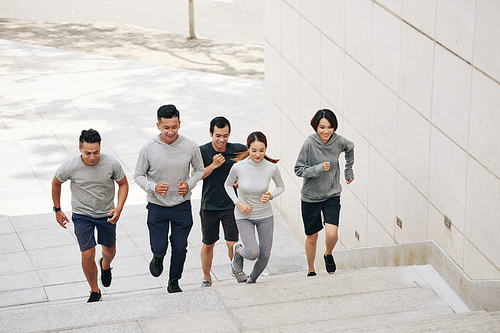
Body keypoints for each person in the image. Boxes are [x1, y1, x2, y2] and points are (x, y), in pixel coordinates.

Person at [51, 129, 129, 303]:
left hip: (106, 213)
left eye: (96, 152)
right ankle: (95, 291)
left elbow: (123, 184)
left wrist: (119, 208)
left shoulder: (111, 163)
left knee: (109, 250)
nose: (92, 157)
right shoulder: (70, 166)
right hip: (82, 214)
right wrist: (57, 209)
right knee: (87, 254)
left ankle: (105, 265)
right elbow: (56, 182)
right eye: (87, 153)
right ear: (79, 148)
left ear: (100, 147)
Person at [134, 104, 204, 293]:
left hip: (182, 205)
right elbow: (138, 175)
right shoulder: (148, 149)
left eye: (174, 126)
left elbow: (200, 169)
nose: (171, 131)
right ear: (158, 125)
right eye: (166, 127)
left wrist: (189, 184)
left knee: (180, 247)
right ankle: (157, 257)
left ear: (179, 124)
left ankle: (174, 281)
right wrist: (153, 187)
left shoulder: (190, 146)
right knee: (160, 247)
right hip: (157, 206)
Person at [294, 109, 354, 276]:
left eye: (330, 127)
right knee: (312, 237)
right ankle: (311, 269)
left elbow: (350, 149)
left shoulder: (339, 141)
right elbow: (298, 169)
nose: (326, 131)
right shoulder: (309, 144)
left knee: (332, 233)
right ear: (316, 127)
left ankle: (328, 253)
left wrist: (349, 171)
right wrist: (318, 169)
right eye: (322, 127)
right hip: (310, 197)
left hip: (331, 194)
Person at [224, 131, 285, 284]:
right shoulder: (239, 167)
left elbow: (281, 186)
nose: (258, 154)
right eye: (254, 150)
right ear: (248, 148)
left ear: (266, 149)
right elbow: (227, 185)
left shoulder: (271, 167)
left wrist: (271, 195)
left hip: (265, 215)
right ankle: (238, 249)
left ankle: (251, 280)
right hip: (244, 215)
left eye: (262, 150)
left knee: (264, 255)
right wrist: (237, 202)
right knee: (252, 253)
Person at [199, 117, 248, 287]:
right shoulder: (202, 151)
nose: (221, 140)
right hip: (209, 205)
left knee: (232, 243)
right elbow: (195, 176)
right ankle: (206, 277)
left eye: (225, 136)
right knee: (208, 244)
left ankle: (237, 270)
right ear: (211, 133)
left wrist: (241, 180)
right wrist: (213, 165)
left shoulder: (238, 150)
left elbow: (255, 155)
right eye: (218, 135)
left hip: (231, 205)